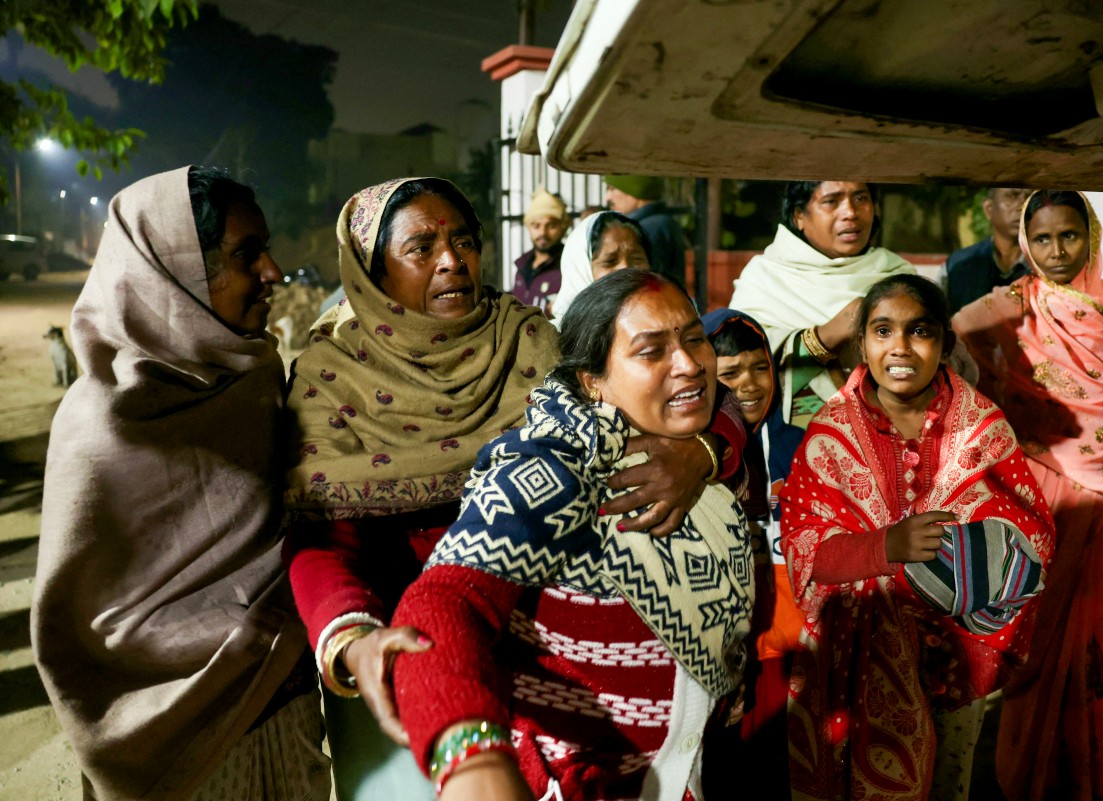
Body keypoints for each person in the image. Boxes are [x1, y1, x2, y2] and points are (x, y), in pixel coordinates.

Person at [282, 178, 746, 801]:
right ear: (371, 271)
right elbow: (324, 536)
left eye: (464, 241)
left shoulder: (527, 341)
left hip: (539, 647)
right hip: (402, 641)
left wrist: (701, 452)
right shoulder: (333, 379)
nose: (453, 260)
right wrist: (353, 639)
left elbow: (692, 394)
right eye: (422, 247)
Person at [390, 269, 754, 801]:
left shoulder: (700, 456)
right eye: (652, 351)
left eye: (695, 338)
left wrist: (702, 455)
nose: (690, 364)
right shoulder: (561, 465)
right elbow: (444, 601)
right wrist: (470, 759)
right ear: (592, 382)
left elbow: (731, 403)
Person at [32, 166, 330, 801]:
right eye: (246, 254)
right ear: (171, 274)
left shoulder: (257, 380)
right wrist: (236, 636)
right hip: (173, 744)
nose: (274, 272)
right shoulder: (102, 424)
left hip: (285, 706)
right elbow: (78, 627)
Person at [779, 273, 1055, 801]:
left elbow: (1032, 539)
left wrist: (968, 589)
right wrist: (887, 548)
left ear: (946, 343)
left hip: (958, 658)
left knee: (948, 783)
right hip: (852, 659)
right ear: (861, 343)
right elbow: (805, 550)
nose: (900, 347)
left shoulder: (985, 429)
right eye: (882, 331)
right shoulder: (830, 433)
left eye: (919, 331)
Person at [954, 189, 1103, 801]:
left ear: (1091, 236)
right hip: (1039, 498)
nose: (1054, 251)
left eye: (1068, 236)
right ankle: (1036, 771)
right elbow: (947, 360)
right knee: (1042, 646)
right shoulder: (1005, 307)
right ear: (1026, 241)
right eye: (1042, 239)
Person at [701, 308, 807, 801]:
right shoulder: (693, 456)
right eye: (729, 373)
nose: (749, 384)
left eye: (759, 367)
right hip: (724, 655)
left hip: (793, 652)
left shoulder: (805, 446)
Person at [728, 180, 917, 428]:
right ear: (799, 217)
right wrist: (823, 338)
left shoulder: (900, 276)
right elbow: (734, 362)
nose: (850, 212)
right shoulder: (765, 277)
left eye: (861, 198)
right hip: (793, 441)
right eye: (831, 201)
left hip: (898, 435)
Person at [550, 209, 653, 327]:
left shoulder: (663, 325)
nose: (625, 268)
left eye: (637, 259)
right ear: (581, 270)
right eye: (610, 261)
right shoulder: (554, 339)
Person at [944, 187, 1032, 315]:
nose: (1022, 206)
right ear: (989, 209)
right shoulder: (958, 265)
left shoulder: (1048, 264)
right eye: (1012, 196)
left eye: (1029, 198)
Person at [605, 174, 688, 290]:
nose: (608, 197)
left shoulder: (651, 227)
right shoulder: (657, 223)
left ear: (634, 190)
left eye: (612, 189)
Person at [511, 187, 568, 315]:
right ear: (529, 228)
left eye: (551, 226)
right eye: (536, 226)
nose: (543, 233)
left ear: (562, 228)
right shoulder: (522, 266)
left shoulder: (568, 264)